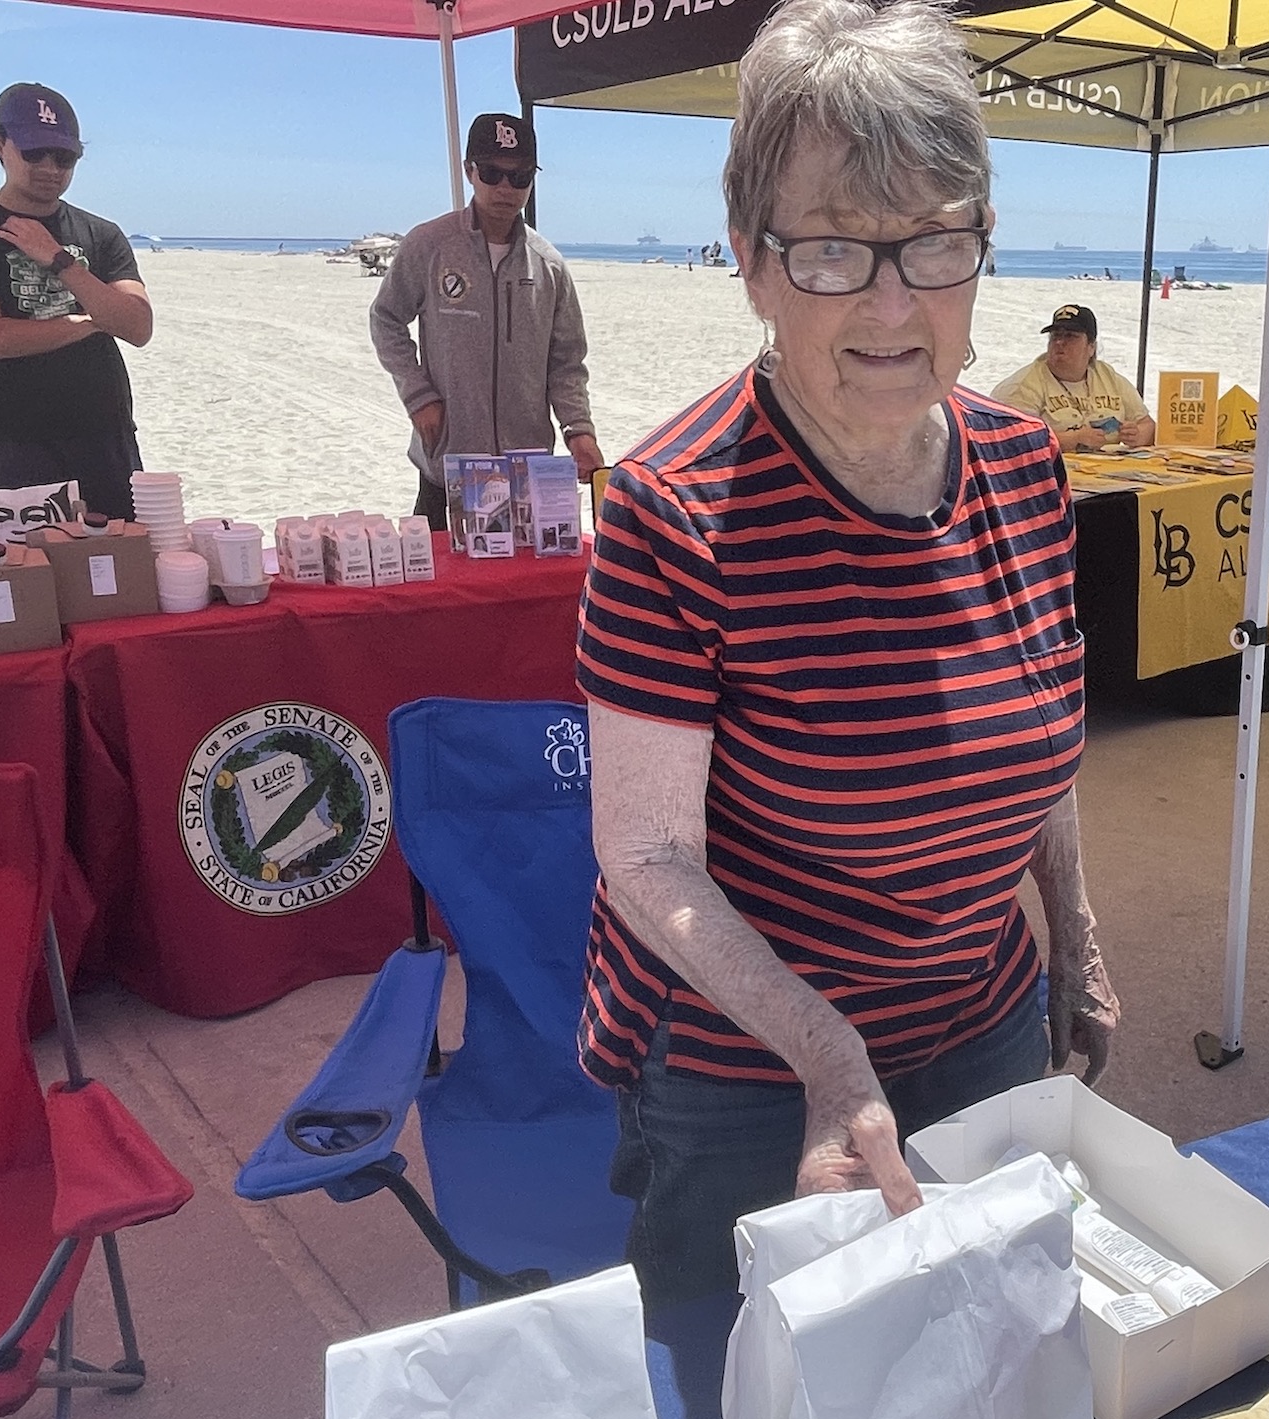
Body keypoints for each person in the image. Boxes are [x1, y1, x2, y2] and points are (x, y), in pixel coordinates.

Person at [574, 0, 1121, 1307]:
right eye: (830, 250)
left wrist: (1077, 936)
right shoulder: (669, 509)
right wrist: (827, 1055)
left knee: (977, 1354)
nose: (890, 303)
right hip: (746, 1065)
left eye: (934, 243)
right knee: (753, 1406)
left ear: (982, 253)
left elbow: (1041, 745)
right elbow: (643, 854)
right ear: (752, 264)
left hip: (982, 1015)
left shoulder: (1029, 467)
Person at [370, 112, 605, 528]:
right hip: (447, 468)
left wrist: (578, 429)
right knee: (442, 592)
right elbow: (386, 319)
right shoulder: (429, 246)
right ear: (469, 171)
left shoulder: (548, 265)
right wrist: (419, 396)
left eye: (520, 177)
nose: (505, 188)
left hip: (526, 474)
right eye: (492, 173)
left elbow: (566, 361)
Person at [0, 84, 153, 521]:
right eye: (34, 153)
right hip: (18, 436)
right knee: (33, 575)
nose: (50, 168)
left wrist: (60, 261)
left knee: (119, 569)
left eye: (64, 157)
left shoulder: (100, 232)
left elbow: (138, 327)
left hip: (105, 429)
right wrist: (92, 321)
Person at [991, 304, 1156, 452]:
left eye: (1070, 336)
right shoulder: (1023, 385)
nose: (1060, 342)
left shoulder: (1107, 377)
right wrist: (1073, 439)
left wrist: (1138, 435)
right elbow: (1015, 441)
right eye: (1055, 336)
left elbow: (1147, 424)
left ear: (1091, 347)